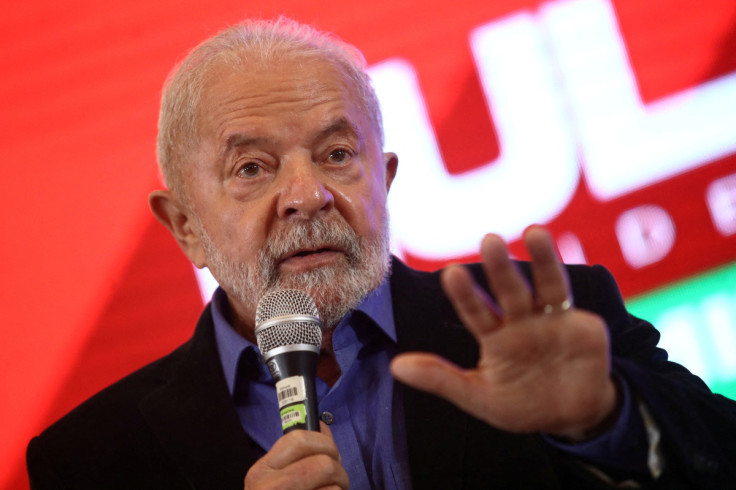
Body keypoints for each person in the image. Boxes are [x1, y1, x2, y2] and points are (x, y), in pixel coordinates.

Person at [27, 18, 736, 489]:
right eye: (253, 168)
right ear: (183, 224)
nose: (307, 194)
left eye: (338, 154)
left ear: (384, 180)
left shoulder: (559, 318)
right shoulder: (89, 458)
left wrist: (604, 420)